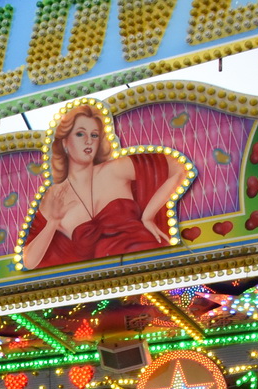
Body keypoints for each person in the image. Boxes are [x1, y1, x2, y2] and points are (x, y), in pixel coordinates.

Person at [20, 102, 189, 269]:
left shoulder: (115, 168)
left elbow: (179, 168)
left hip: (153, 264)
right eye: (80, 134)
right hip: (109, 285)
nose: (88, 141)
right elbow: (29, 261)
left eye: (94, 135)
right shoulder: (54, 196)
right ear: (64, 142)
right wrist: (53, 223)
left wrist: (148, 216)